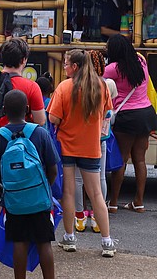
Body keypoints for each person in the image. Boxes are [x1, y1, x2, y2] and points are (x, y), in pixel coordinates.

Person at [0, 89, 68, 279]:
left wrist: (4, 193)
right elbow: (52, 168)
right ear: (28, 110)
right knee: (44, 243)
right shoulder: (39, 133)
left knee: (19, 241)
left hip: (14, 201)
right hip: (39, 199)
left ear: (3, 112)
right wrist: (44, 190)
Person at [48, 48, 116, 257]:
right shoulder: (101, 86)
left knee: (69, 191)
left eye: (66, 64)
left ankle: (69, 238)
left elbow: (53, 118)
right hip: (91, 147)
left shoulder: (64, 87)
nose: (65, 67)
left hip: (68, 146)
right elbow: (107, 112)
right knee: (96, 193)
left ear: (74, 67)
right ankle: (107, 242)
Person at [0, 38, 48, 226]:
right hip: (23, 146)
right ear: (24, 60)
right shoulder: (31, 87)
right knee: (23, 188)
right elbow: (41, 121)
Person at [104, 34, 157, 214]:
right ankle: (139, 202)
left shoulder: (113, 69)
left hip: (127, 116)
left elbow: (99, 80)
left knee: (120, 160)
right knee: (140, 160)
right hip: (146, 113)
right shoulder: (141, 62)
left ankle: (112, 203)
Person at [72, 51, 118, 233]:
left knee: (77, 180)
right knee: (100, 178)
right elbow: (109, 113)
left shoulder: (75, 85)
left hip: (78, 139)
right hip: (100, 139)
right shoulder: (107, 85)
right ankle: (98, 218)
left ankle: (79, 217)